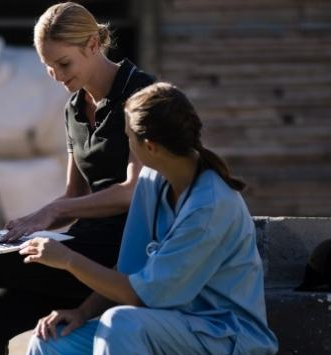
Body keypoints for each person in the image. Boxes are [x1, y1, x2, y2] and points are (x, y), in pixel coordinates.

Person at [0, 3, 155, 354]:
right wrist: (30, 224)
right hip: (84, 242)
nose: (55, 74)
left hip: (128, 250)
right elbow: (74, 194)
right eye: (47, 66)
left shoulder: (141, 95)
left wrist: (51, 213)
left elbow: (134, 192)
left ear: (92, 45)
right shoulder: (73, 107)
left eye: (63, 64)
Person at [22, 82, 279, 354]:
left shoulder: (210, 206)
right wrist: (83, 312)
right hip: (165, 328)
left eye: (128, 139)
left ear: (150, 147)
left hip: (224, 337)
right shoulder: (152, 180)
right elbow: (128, 273)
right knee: (50, 340)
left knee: (121, 323)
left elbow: (141, 296)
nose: (127, 147)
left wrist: (68, 260)